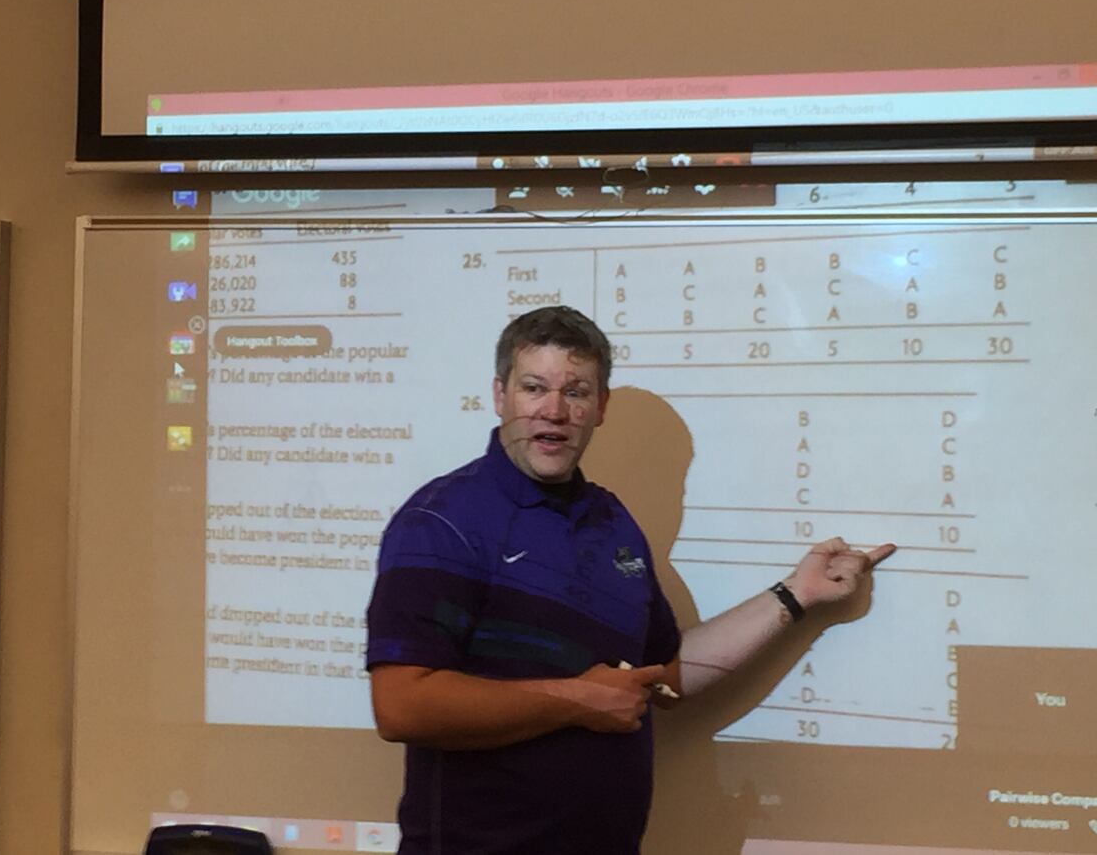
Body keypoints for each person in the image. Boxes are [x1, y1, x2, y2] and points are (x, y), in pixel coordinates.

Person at [365, 306, 895, 855]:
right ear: (500, 396)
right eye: (534, 388)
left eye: (576, 392)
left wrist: (796, 594)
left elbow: (664, 676)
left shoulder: (612, 521)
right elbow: (402, 705)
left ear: (600, 408)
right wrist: (575, 700)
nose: (554, 410)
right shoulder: (442, 519)